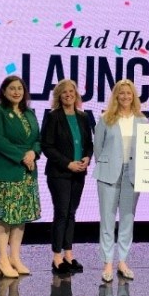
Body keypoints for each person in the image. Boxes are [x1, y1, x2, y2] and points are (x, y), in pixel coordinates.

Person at [0, 75, 41, 278]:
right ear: (4, 91)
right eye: (12, 88)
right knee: (4, 216)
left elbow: (37, 139)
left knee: (19, 216)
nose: (16, 92)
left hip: (26, 172)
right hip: (4, 170)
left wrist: (33, 153)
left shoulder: (29, 113)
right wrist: (21, 155)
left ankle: (15, 257)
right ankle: (2, 259)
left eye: (19, 89)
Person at [93, 79, 148, 283]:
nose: (125, 96)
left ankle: (122, 261)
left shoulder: (142, 120)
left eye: (129, 93)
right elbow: (98, 148)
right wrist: (109, 164)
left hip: (132, 173)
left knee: (127, 219)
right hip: (108, 173)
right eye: (121, 93)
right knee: (107, 219)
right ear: (116, 96)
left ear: (134, 96)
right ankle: (107, 261)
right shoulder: (105, 118)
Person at [40, 79, 94, 275]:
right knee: (62, 212)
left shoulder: (83, 117)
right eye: (64, 92)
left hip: (79, 172)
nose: (68, 94)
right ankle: (56, 256)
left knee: (71, 213)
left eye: (71, 91)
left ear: (76, 94)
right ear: (59, 96)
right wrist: (67, 163)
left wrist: (87, 157)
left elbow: (89, 143)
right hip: (59, 173)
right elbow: (47, 146)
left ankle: (68, 254)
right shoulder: (53, 117)